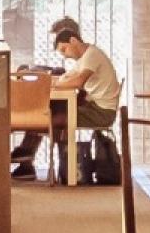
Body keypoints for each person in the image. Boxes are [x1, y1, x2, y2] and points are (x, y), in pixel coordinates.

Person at [13, 15, 122, 175]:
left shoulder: (91, 56)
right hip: (93, 106)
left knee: (48, 115)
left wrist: (51, 83)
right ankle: (33, 160)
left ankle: (38, 161)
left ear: (72, 39)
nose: (63, 54)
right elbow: (68, 77)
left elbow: (77, 82)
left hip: (99, 111)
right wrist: (52, 80)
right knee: (47, 110)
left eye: (62, 47)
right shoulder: (86, 57)